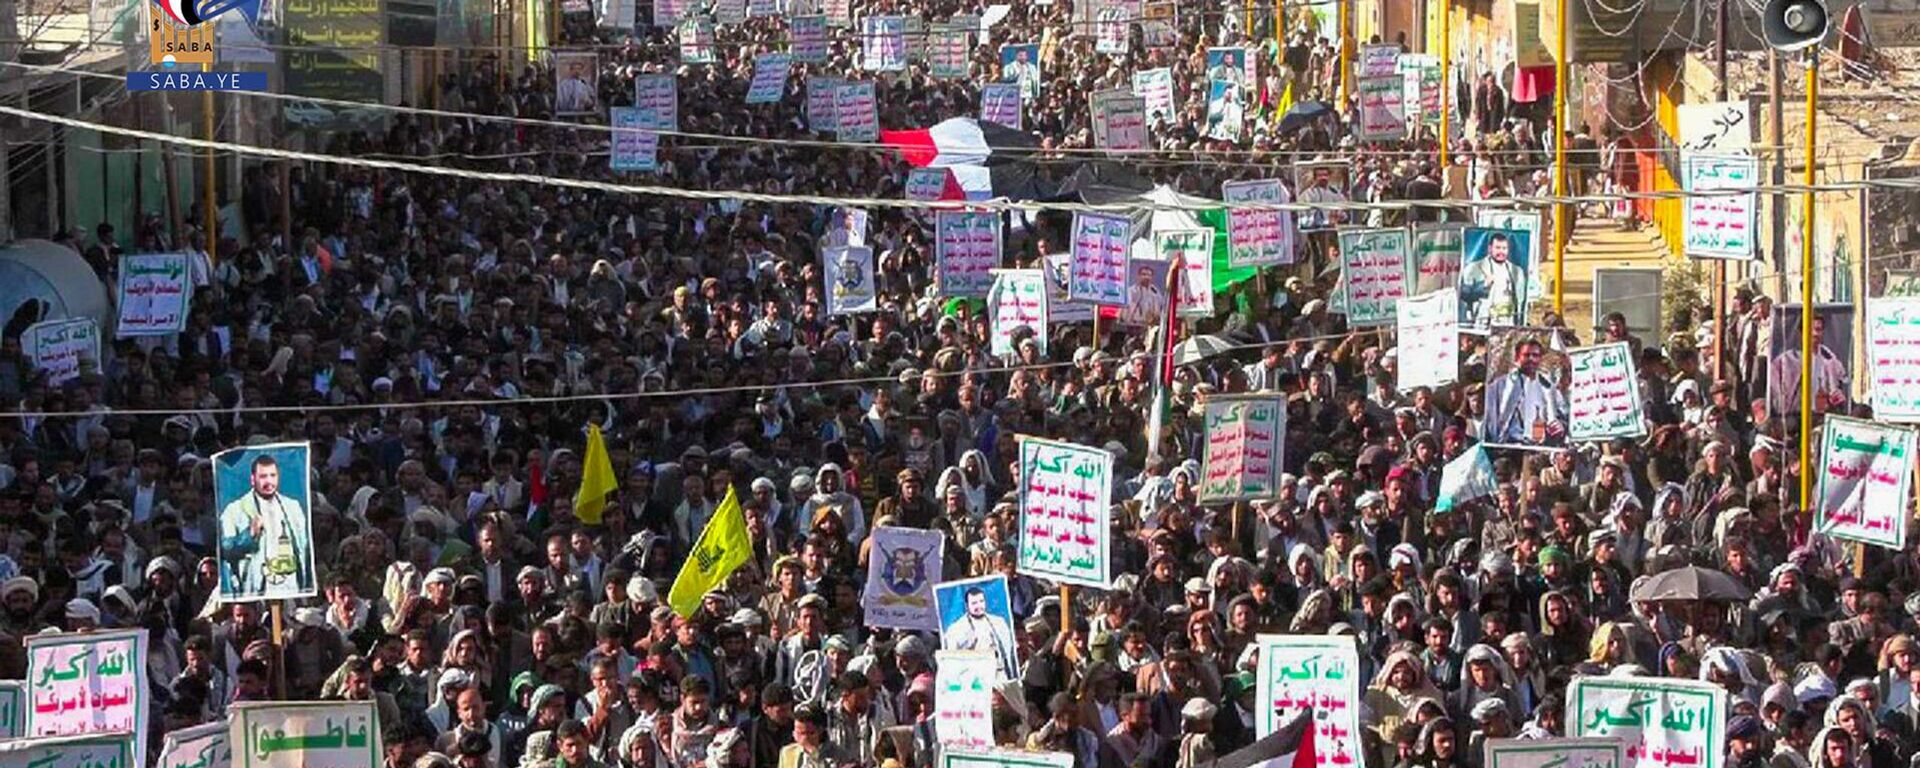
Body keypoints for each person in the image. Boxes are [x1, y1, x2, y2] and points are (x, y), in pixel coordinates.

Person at [218, 452, 312, 599]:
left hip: (291, 585)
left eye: (272, 475)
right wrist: (249, 534)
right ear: (253, 479)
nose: (269, 481)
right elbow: (225, 550)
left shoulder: (293, 507)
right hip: (256, 587)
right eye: (263, 477)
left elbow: (304, 548)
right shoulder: (234, 510)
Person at [1483, 337, 1568, 448]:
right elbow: (1490, 420)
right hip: (1509, 448)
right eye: (1526, 355)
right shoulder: (1500, 386)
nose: (1531, 359)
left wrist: (1561, 425)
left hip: (1541, 448)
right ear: (1517, 358)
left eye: (1535, 355)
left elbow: (1563, 414)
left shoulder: (1548, 387)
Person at [944, 585, 1018, 680]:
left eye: (981, 601)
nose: (979, 606)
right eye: (974, 603)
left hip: (999, 674)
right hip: (975, 679)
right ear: (967, 606)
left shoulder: (999, 622)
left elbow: (1010, 651)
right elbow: (953, 661)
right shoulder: (955, 629)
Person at [1459, 232, 1527, 329]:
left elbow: (1521, 300)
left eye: (1504, 248)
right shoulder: (1475, 268)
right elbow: (1464, 294)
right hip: (1483, 323)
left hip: (1508, 324)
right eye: (1498, 248)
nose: (1501, 252)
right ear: (1490, 248)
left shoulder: (1516, 271)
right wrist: (1483, 285)